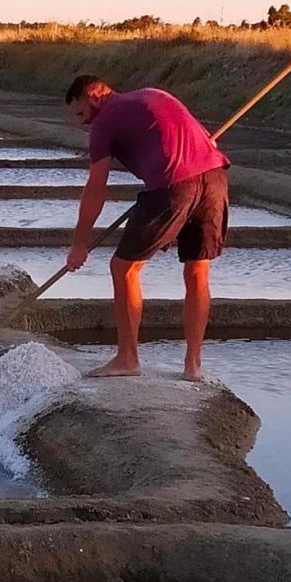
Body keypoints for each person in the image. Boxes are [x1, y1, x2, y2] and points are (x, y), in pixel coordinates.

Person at [64, 74, 229, 382]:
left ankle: (127, 358)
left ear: (96, 95)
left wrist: (79, 243)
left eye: (81, 113)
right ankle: (193, 366)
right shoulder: (156, 95)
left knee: (123, 268)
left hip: (174, 186)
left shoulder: (104, 122)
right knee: (197, 270)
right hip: (214, 178)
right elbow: (206, 139)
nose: (82, 123)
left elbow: (96, 188)